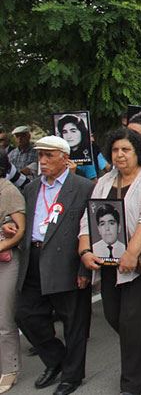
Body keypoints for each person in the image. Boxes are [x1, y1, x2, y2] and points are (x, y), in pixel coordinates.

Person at [79, 128, 141, 395]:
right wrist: (85, 250)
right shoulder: (104, 181)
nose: (120, 155)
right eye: (116, 150)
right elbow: (88, 218)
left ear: (138, 151)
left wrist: (131, 253)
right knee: (113, 316)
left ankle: (131, 385)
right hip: (109, 264)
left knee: (133, 322)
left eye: (126, 149)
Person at [15, 136, 94, 395]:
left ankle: (72, 376)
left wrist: (85, 268)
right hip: (34, 259)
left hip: (68, 261)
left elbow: (90, 230)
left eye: (49, 155)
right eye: (40, 156)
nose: (43, 161)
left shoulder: (83, 187)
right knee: (26, 315)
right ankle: (56, 359)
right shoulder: (31, 188)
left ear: (64, 157)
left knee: (74, 323)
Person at [0, 151, 25, 394]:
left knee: (4, 319)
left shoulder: (7, 191)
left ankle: (10, 369)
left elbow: (19, 231)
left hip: (5, 261)